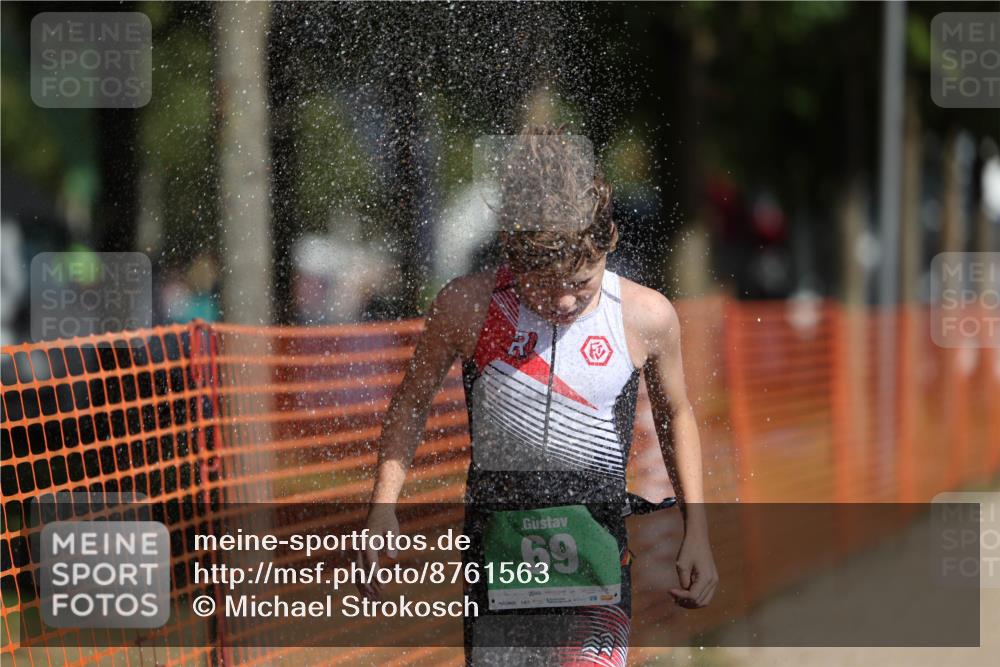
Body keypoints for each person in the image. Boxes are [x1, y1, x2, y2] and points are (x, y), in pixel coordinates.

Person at [359, 125, 717, 666]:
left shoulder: (645, 315)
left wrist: (698, 532)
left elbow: (677, 415)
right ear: (513, 253)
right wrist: (383, 507)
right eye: (546, 286)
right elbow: (411, 402)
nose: (566, 301)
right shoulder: (467, 307)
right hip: (498, 559)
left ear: (607, 245)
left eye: (583, 282)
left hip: (596, 561)